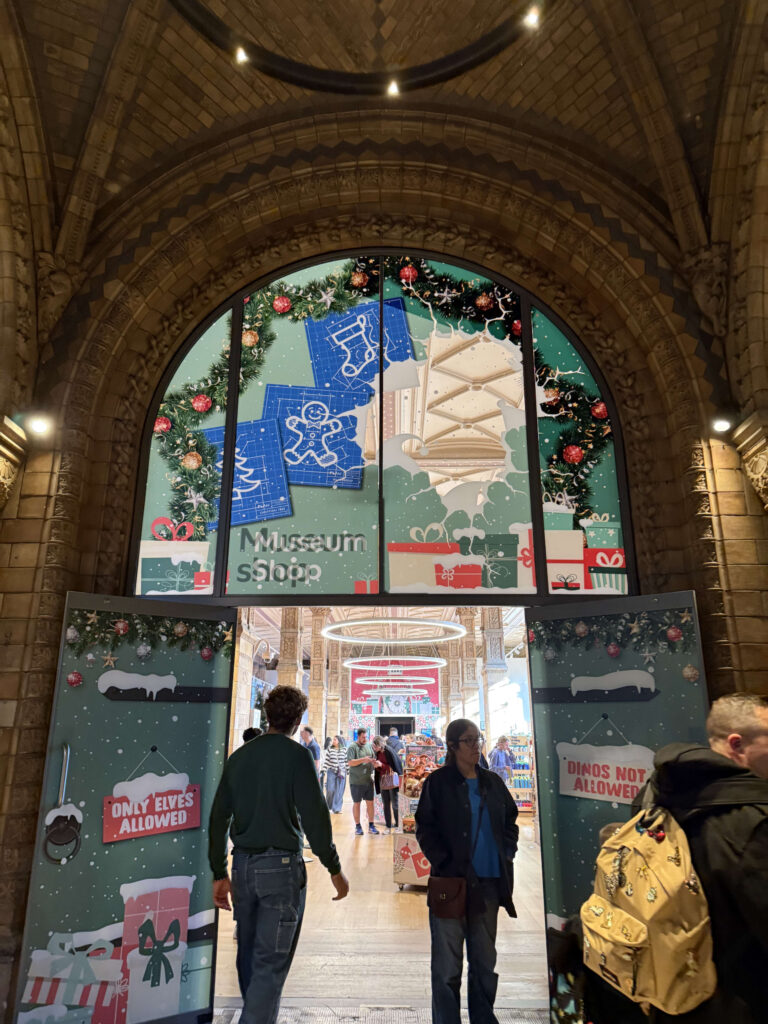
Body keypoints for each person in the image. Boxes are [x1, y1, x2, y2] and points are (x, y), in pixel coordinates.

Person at [208, 685, 349, 1024]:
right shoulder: (298, 756)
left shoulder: (240, 757)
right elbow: (315, 817)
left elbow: (218, 818)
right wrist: (334, 868)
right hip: (281, 870)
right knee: (270, 963)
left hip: (242, 867)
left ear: (267, 715)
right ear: (297, 720)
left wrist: (219, 871)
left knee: (249, 956)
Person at [629, 692, 768, 1024]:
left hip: (670, 994)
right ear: (737, 745)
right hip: (743, 1002)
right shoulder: (751, 820)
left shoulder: (651, 797)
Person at [415, 718, 519, 1024]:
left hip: (489, 884)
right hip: (451, 885)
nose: (476, 746)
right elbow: (425, 827)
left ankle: (483, 1018)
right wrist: (444, 861)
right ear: (452, 745)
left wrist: (507, 852)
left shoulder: (493, 783)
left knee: (485, 964)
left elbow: (510, 821)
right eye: (469, 740)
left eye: (478, 739)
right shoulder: (438, 783)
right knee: (447, 967)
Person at [346, 726, 380, 836]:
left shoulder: (369, 746)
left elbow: (373, 759)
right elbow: (350, 762)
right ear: (358, 736)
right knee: (357, 804)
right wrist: (363, 760)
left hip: (368, 781)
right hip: (356, 781)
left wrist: (375, 763)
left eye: (366, 737)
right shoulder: (352, 747)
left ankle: (371, 825)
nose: (365, 739)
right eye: (363, 737)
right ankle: (358, 826)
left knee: (370, 803)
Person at [372, 734, 404, 833]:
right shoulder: (377, 753)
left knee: (395, 804)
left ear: (380, 744)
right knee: (386, 804)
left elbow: (395, 767)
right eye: (374, 746)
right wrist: (376, 765)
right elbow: (380, 768)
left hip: (392, 781)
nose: (374, 747)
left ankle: (398, 825)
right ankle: (388, 826)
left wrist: (381, 765)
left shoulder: (389, 751)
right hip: (383, 780)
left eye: (376, 746)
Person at [323, 734, 347, 813]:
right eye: (333, 739)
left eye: (335, 740)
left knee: (339, 791)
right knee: (330, 789)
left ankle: (337, 809)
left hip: (341, 772)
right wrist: (323, 770)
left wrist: (348, 771)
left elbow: (346, 761)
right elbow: (326, 761)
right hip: (331, 771)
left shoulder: (344, 749)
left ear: (339, 741)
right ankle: (328, 807)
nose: (333, 741)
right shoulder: (330, 749)